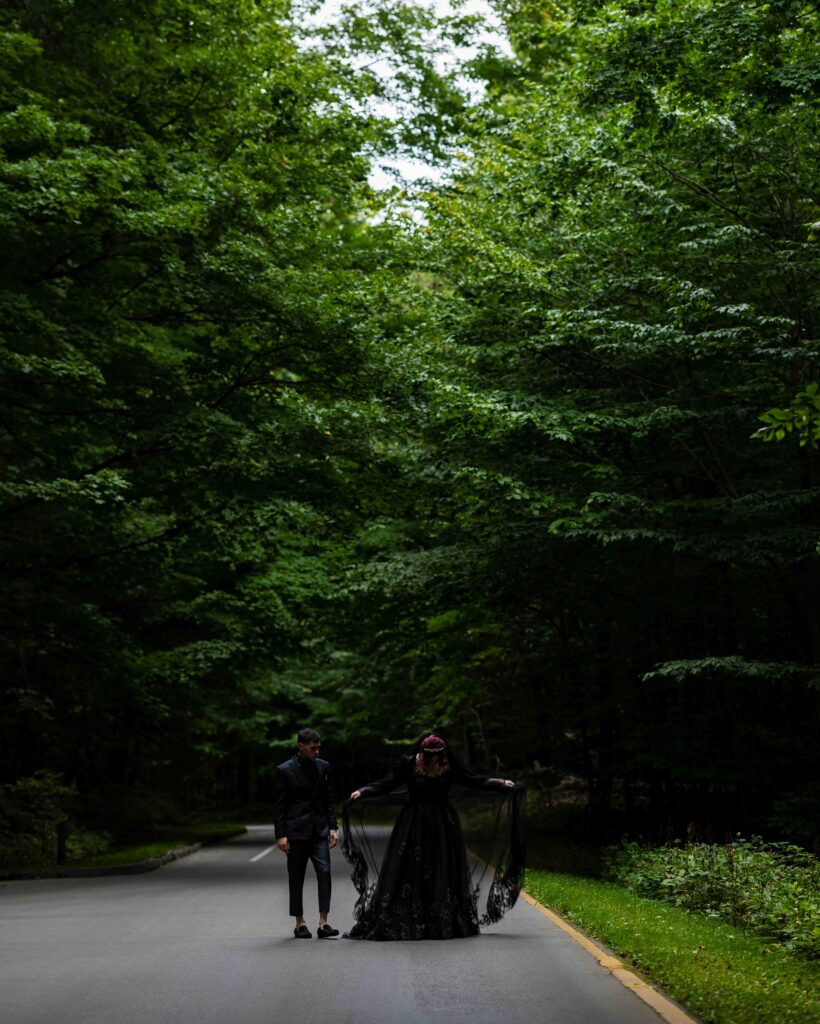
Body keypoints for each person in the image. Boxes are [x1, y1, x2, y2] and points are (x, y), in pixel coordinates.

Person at [342, 732, 525, 941]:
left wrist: (500, 783)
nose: (435, 761)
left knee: (441, 868)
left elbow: (472, 780)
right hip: (414, 823)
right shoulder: (410, 765)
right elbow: (389, 784)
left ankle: (442, 922)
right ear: (423, 753)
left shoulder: (449, 766)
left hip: (443, 824)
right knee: (411, 868)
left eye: (438, 756)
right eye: (431, 757)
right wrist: (364, 791)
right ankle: (412, 920)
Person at [273, 727, 339, 939]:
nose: (316, 752)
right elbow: (279, 806)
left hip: (319, 829)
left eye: (318, 748)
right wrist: (280, 834)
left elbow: (329, 799)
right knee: (296, 877)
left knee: (325, 872)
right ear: (300, 747)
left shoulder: (323, 767)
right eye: (312, 748)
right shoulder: (285, 770)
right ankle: (300, 923)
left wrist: (333, 826)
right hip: (295, 831)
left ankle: (323, 923)